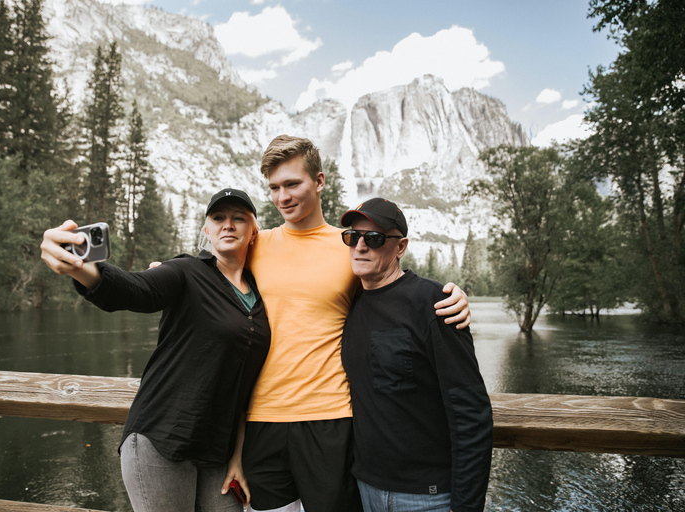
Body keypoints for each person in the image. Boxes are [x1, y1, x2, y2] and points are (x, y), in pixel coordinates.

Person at [240, 135, 473, 512]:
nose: (283, 196)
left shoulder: (350, 246)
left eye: (292, 184)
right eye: (274, 188)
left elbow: (393, 291)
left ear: (319, 181)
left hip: (331, 417)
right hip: (261, 418)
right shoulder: (255, 244)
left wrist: (454, 297)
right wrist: (167, 273)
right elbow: (209, 268)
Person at [40, 188, 271, 512]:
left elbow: (249, 387)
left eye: (239, 218)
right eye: (218, 218)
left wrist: (237, 456)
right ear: (206, 230)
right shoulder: (186, 271)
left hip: (217, 454)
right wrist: (80, 267)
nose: (228, 225)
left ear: (254, 230)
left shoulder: (262, 296)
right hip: (162, 438)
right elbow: (137, 289)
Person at [339, 197, 493, 512]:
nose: (360, 246)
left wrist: (466, 506)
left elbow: (472, 413)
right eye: (352, 237)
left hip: (428, 497)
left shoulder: (434, 303)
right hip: (365, 489)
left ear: (400, 246)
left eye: (375, 238)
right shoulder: (347, 303)